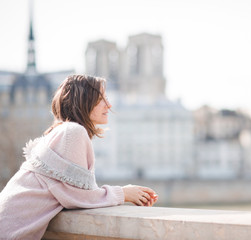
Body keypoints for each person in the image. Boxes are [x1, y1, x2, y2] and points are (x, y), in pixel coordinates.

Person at [0, 74, 158, 239]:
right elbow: (79, 197)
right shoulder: (73, 132)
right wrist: (123, 193)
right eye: (101, 98)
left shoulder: (61, 132)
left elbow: (71, 192)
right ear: (84, 101)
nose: (109, 105)